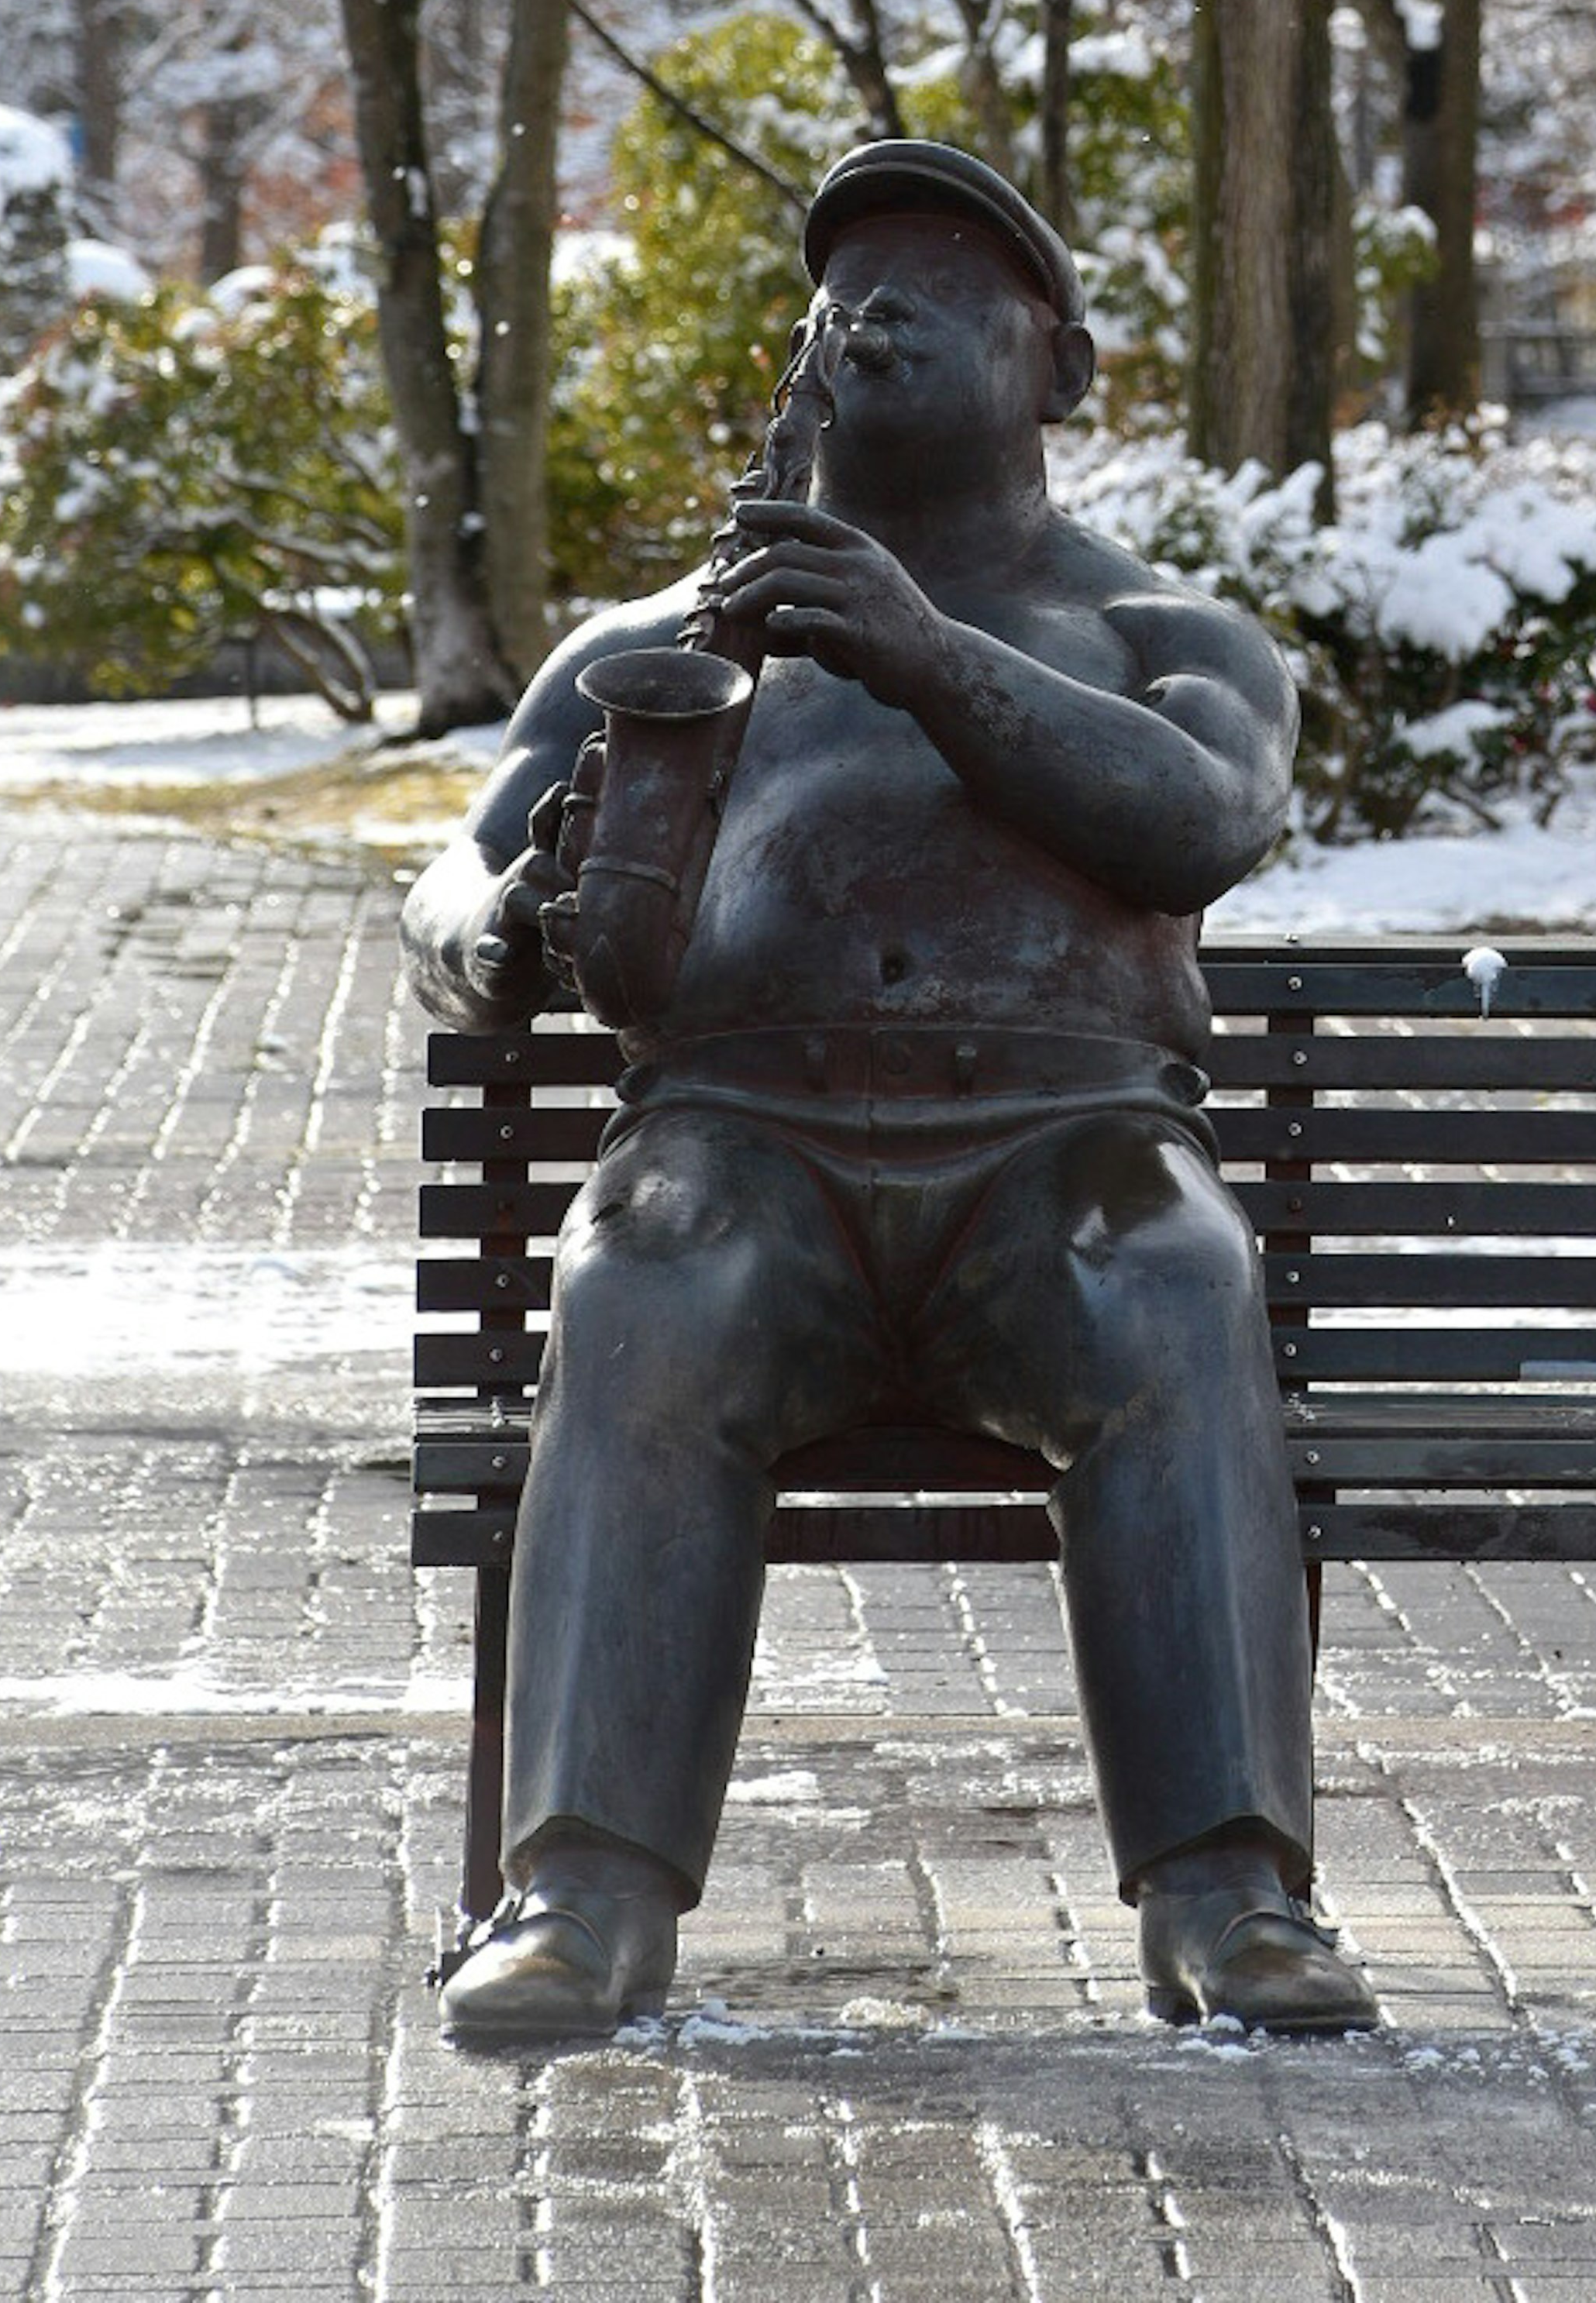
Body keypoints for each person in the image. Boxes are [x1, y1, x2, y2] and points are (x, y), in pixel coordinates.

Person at [402, 138, 1371, 2047]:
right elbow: (449, 888)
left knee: (1165, 1286)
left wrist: (930, 658)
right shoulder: (653, 643)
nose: (880, 305)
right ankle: (581, 1894)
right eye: (849, 280)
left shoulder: (1163, 635)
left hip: (1063, 1149)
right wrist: (508, 925)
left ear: (1059, 370)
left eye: (945, 273)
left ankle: (1230, 1894)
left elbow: (1202, 819)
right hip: (741, 1150)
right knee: (648, 1287)